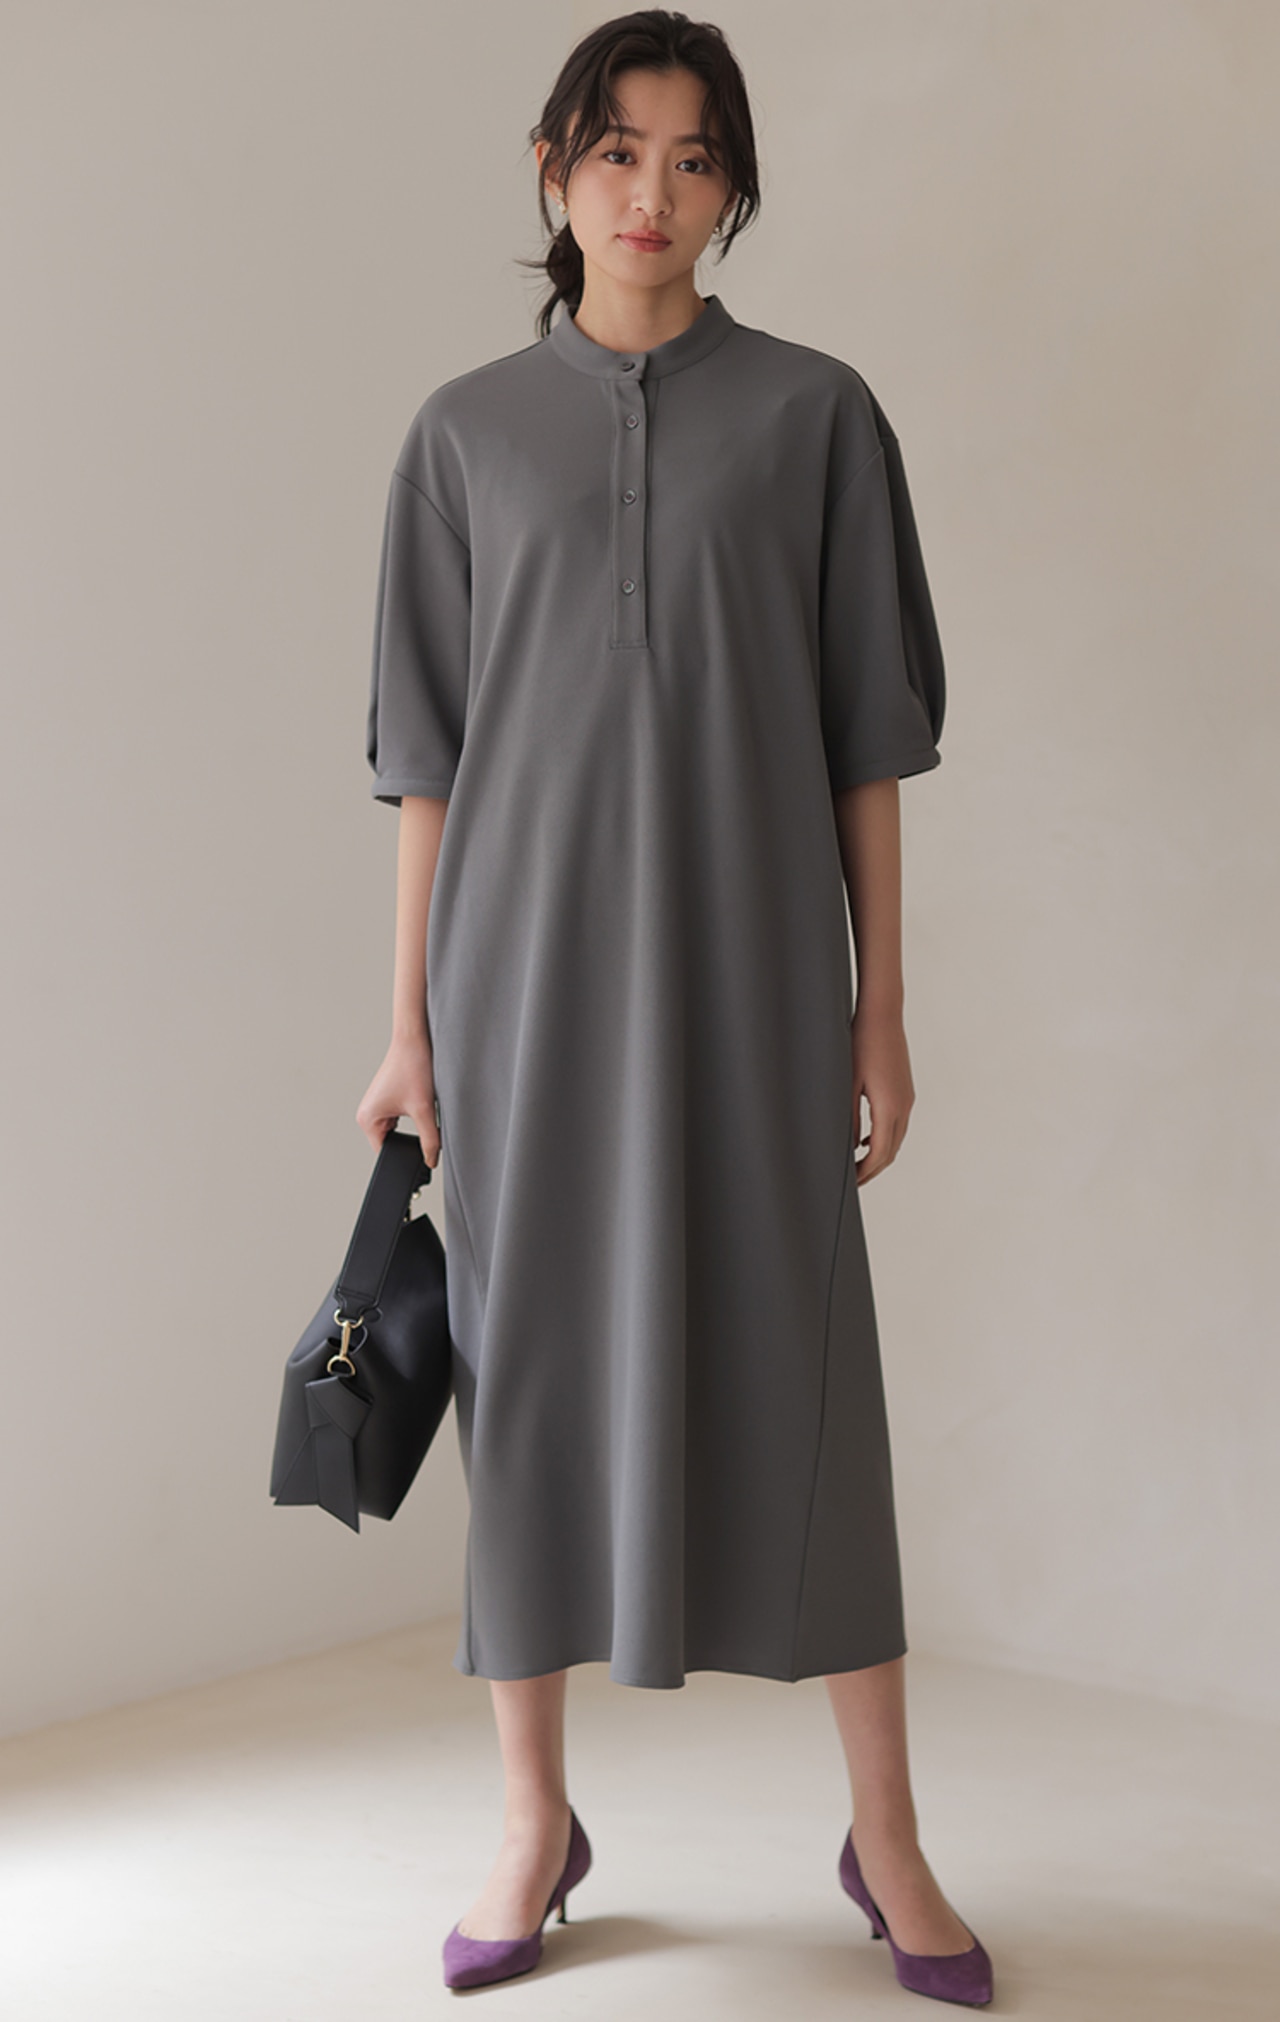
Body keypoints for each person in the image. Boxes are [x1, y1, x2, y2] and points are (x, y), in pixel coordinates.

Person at [356, 9, 993, 2006]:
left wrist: (881, 1010)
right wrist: (408, 1025)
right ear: (554, 171)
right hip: (521, 992)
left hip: (753, 976)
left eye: (694, 156)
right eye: (616, 150)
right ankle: (532, 1821)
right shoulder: (463, 436)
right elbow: (425, 762)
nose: (651, 192)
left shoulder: (818, 418)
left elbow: (866, 739)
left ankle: (885, 1834)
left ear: (733, 188)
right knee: (530, 1383)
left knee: (810, 1383)